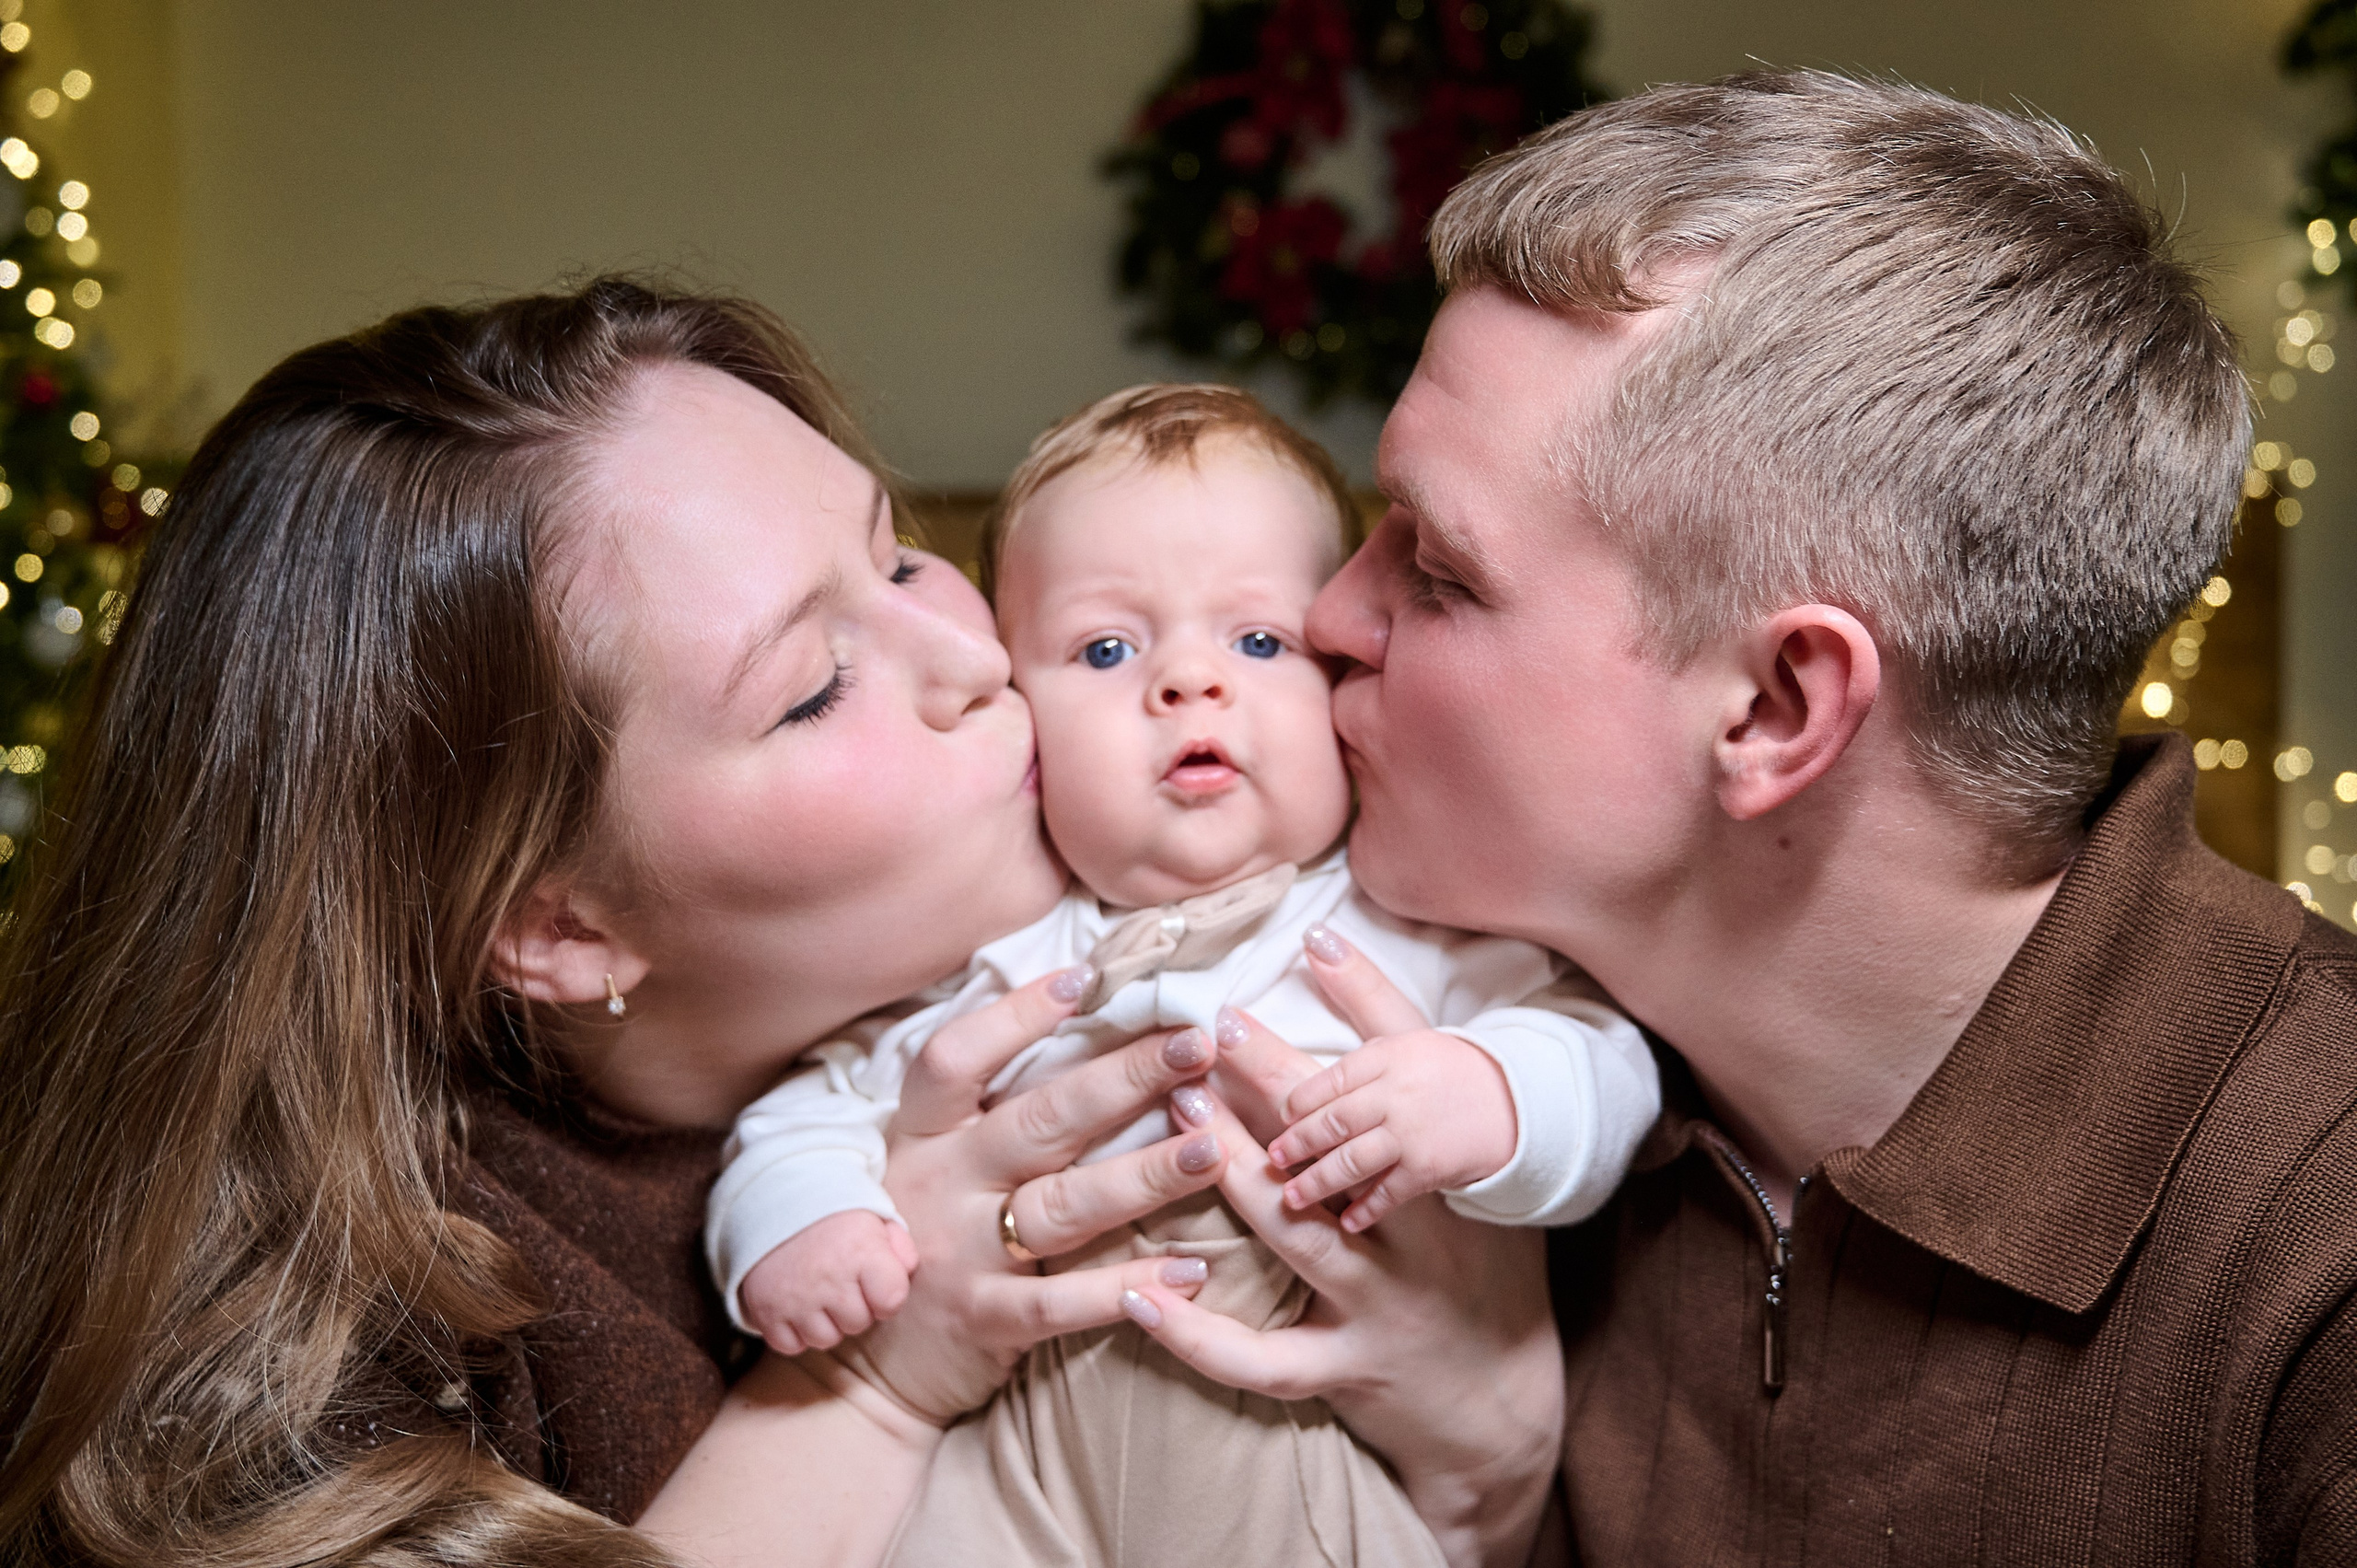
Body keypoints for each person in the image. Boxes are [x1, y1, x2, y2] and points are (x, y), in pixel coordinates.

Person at [0, 281, 1564, 1568]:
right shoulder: (339, 1360)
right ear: (557, 924)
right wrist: (877, 1384)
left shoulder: (1317, 944)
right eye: (815, 683)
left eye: (897, 553)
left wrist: (1489, 1456)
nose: (972, 655)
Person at [1112, 68, 2357, 1562]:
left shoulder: (2316, 1251)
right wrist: (1482, 1484)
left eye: (1438, 571)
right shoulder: (1452, 1072)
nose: (1330, 616)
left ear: (1775, 706)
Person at [706, 383, 1657, 1568]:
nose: (1188, 681)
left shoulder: (1403, 931)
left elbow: (1601, 1058)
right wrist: (799, 1223)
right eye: (1107, 647)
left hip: (1306, 1468)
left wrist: (1496, 1096)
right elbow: (814, 1106)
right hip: (1020, 1482)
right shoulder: (995, 963)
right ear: (1020, 711)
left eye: (1260, 641)